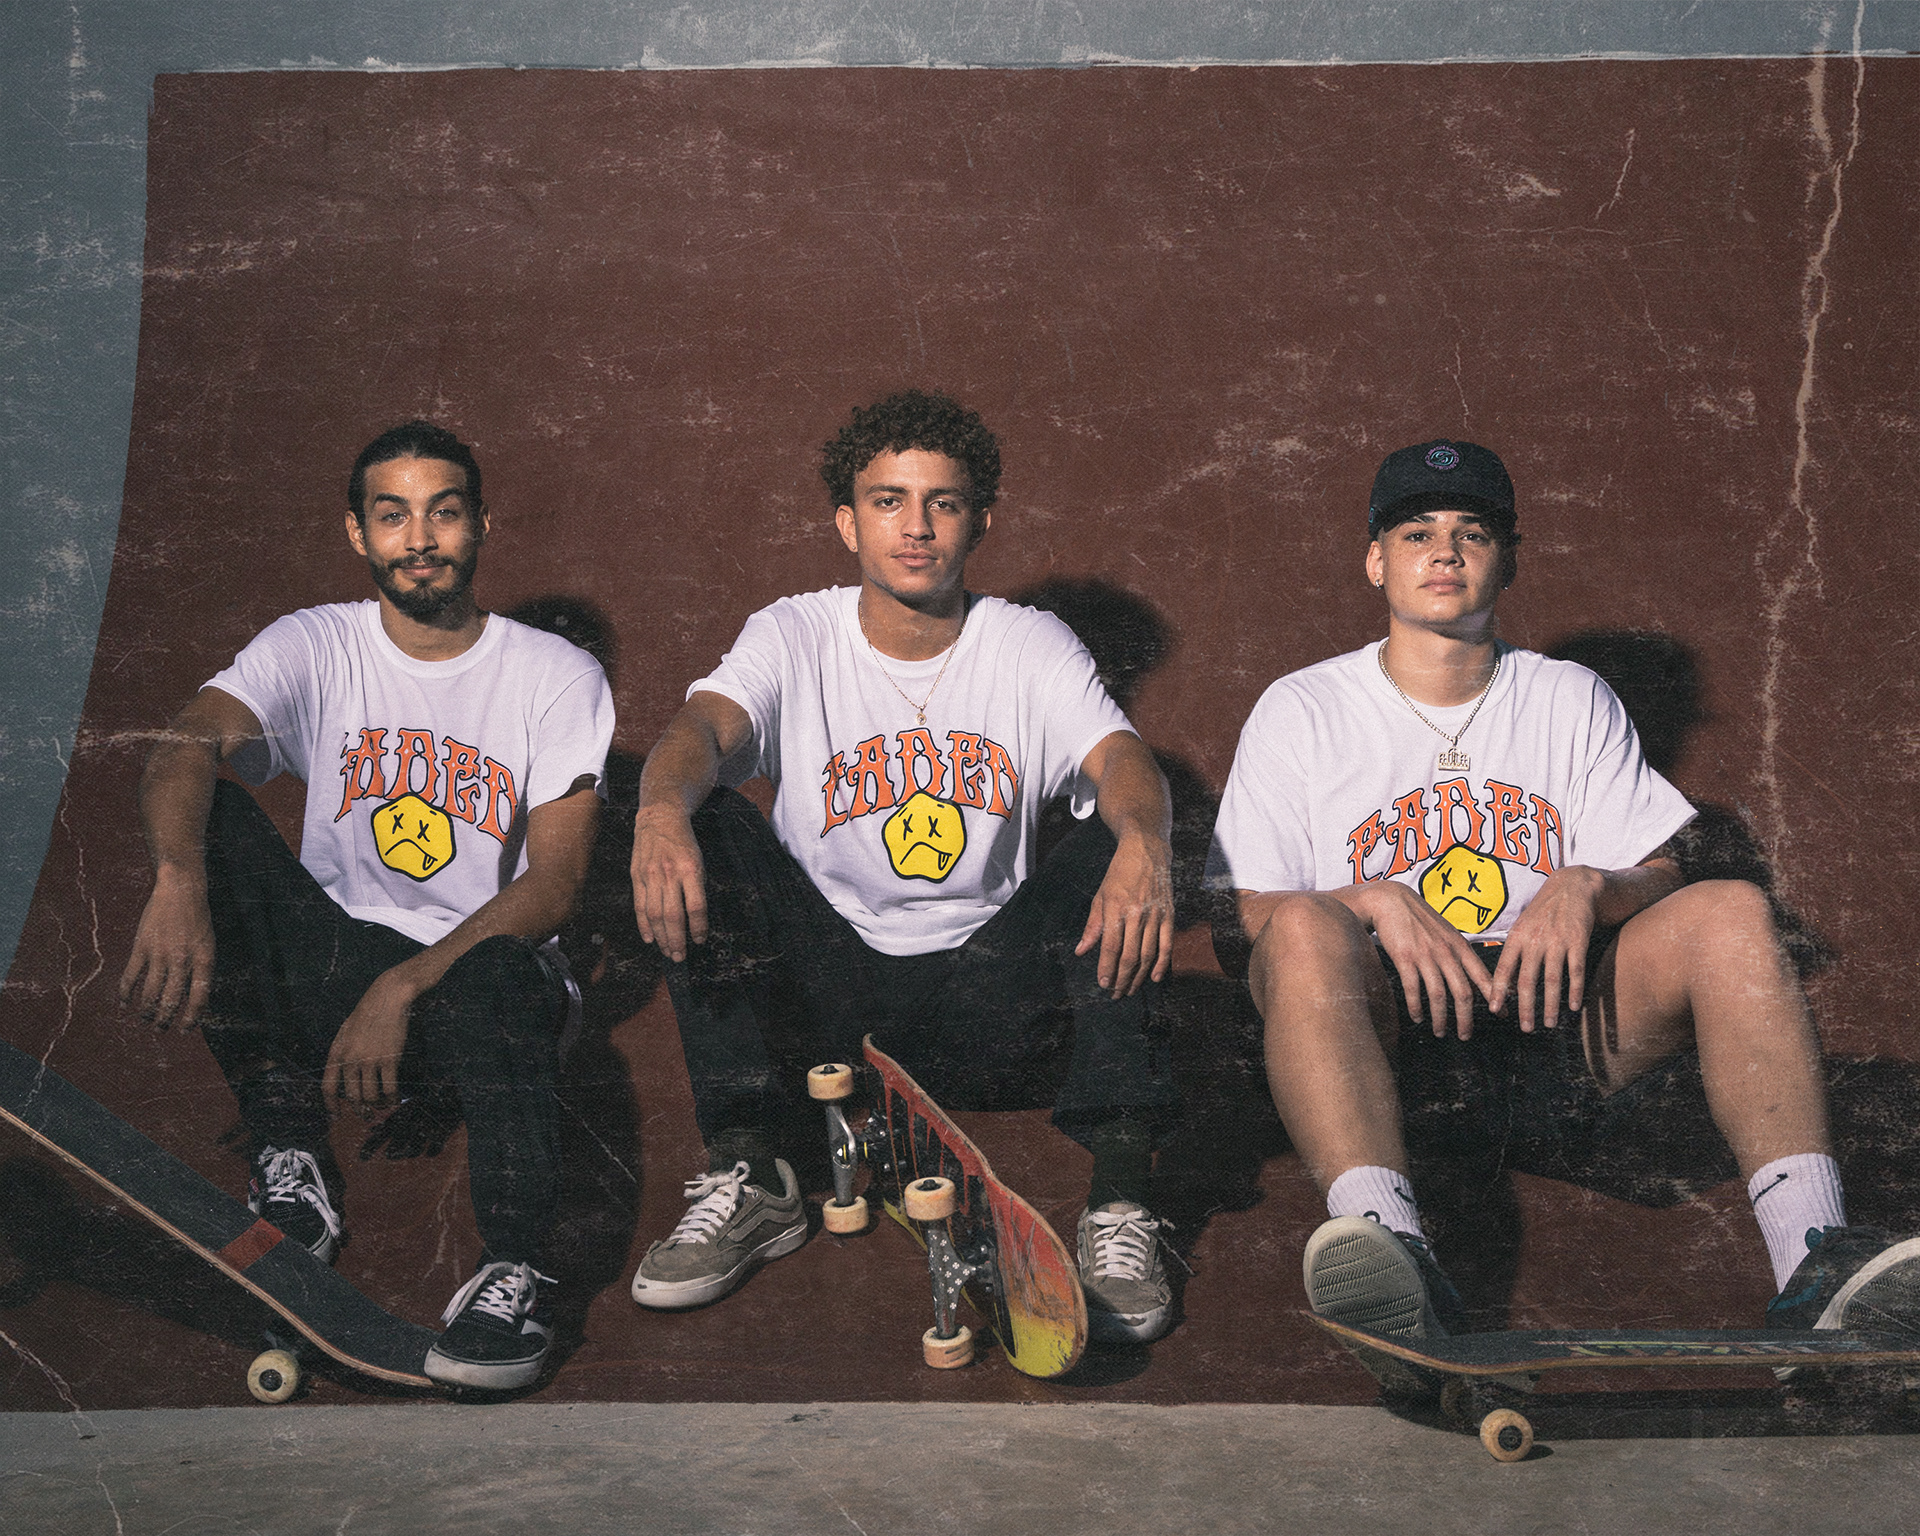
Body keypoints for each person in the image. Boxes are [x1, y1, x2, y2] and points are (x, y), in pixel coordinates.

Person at [1206, 438, 1920, 1340]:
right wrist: (1375, 897)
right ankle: (1390, 1250)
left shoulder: (1568, 696)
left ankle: (1815, 1261)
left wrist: (1589, 885)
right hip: (1385, 1040)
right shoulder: (1304, 707)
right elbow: (1249, 913)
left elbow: (1661, 867)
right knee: (1306, 926)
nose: (1445, 551)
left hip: (1552, 1029)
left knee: (1731, 909)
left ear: (1507, 559)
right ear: (1376, 560)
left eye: (1472, 533)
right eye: (1417, 532)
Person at [628, 390, 1179, 1342]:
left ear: (980, 521)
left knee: (1117, 842)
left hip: (991, 1006)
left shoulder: (1027, 642)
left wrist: (1146, 843)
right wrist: (657, 812)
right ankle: (756, 1169)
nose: (916, 527)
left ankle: (1121, 1202)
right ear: (848, 523)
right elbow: (700, 730)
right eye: (888, 501)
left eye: (942, 503)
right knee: (702, 818)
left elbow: (1122, 760)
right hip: (827, 1006)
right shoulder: (794, 632)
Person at [118, 421, 615, 1389]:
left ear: (482, 525)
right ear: (358, 533)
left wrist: (403, 987)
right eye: (393, 516)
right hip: (338, 971)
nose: (419, 539)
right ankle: (288, 1149)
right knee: (209, 819)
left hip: (473, 987)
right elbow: (184, 743)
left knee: (508, 969)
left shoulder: (555, 673)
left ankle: (514, 1273)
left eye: (444, 513)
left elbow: (554, 884)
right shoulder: (316, 643)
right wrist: (179, 881)